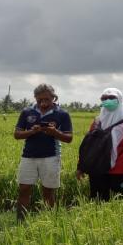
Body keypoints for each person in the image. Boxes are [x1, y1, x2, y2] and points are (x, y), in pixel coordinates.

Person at [14, 84, 73, 220]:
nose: (43, 103)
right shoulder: (27, 111)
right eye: (40, 100)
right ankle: (20, 223)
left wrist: (54, 132)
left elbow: (69, 138)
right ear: (35, 98)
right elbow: (17, 134)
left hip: (51, 157)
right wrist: (31, 131)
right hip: (28, 156)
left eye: (47, 99)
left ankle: (50, 222)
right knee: (24, 189)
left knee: (48, 192)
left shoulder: (62, 114)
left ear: (53, 97)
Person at [76, 88, 123, 200]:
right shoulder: (97, 122)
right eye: (104, 98)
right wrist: (80, 166)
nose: (107, 100)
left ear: (119, 100)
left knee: (122, 205)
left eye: (111, 98)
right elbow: (88, 147)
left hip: (119, 173)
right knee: (97, 203)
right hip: (97, 170)